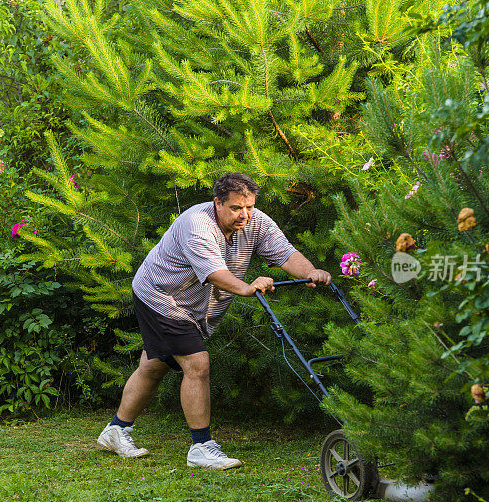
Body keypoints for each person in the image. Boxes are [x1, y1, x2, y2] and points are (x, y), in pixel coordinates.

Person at [97, 172, 332, 469]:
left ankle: (116, 430)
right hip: (161, 295)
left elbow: (285, 253)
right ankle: (201, 447)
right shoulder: (197, 224)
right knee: (197, 364)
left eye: (248, 206)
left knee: (153, 365)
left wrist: (310, 272)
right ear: (217, 203)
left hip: (191, 306)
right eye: (235, 208)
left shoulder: (256, 220)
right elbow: (213, 274)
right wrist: (247, 287)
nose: (244, 214)